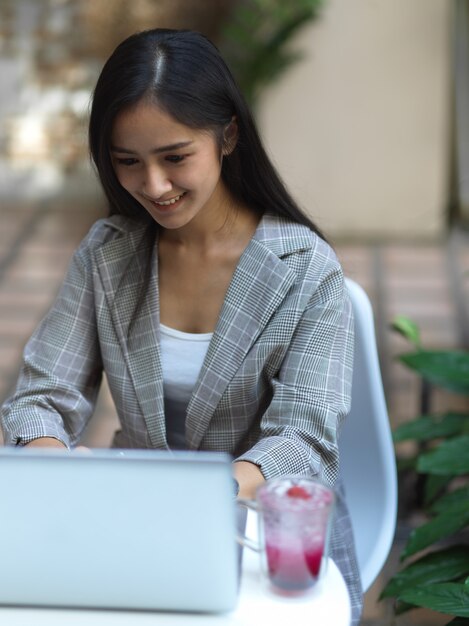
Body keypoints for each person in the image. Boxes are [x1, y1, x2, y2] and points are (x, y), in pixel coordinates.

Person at [1, 29, 362, 622]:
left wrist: (199, 501)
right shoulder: (108, 253)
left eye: (174, 158)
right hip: (134, 526)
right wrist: (53, 462)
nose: (154, 186)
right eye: (127, 163)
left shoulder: (305, 270)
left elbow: (303, 440)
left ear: (228, 136)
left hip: (269, 538)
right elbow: (43, 396)